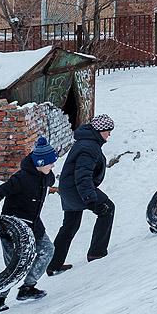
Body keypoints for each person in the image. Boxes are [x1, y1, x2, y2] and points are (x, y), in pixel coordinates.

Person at [0, 137, 58, 314]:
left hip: (34, 225)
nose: (53, 166)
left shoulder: (45, 176)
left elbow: (50, 181)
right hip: (13, 229)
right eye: (50, 163)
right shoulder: (20, 179)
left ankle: (27, 288)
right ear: (40, 163)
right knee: (14, 266)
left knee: (47, 250)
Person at [47, 114, 115, 275]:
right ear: (100, 130)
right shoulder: (89, 147)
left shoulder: (86, 142)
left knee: (70, 226)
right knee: (107, 209)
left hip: (70, 189)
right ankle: (97, 253)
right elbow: (82, 175)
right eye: (108, 131)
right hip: (78, 189)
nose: (109, 135)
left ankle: (53, 265)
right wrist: (89, 198)